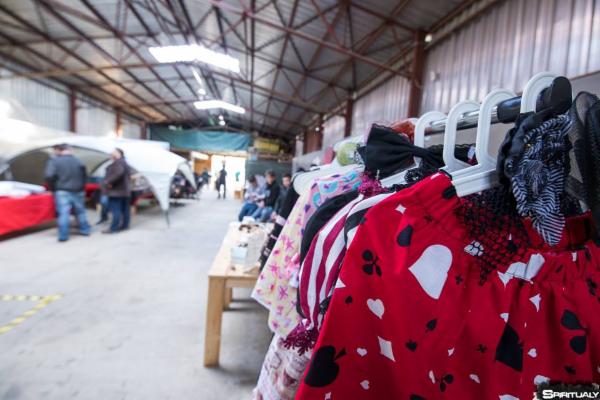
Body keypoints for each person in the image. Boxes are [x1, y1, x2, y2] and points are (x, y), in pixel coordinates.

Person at [44, 143, 91, 242]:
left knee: (64, 213)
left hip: (62, 190)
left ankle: (63, 236)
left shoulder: (54, 161)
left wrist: (53, 188)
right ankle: (85, 230)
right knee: (81, 211)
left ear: (60, 150)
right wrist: (82, 187)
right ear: (70, 150)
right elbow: (85, 176)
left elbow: (49, 176)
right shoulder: (78, 161)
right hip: (78, 190)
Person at [102, 148, 131, 234]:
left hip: (116, 192)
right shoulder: (124, 162)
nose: (111, 153)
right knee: (125, 210)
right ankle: (125, 226)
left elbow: (118, 173)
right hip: (124, 191)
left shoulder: (118, 163)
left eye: (113, 152)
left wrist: (108, 182)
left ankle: (113, 229)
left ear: (119, 153)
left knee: (116, 210)